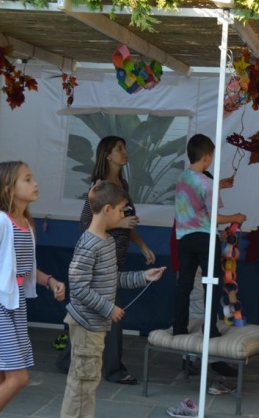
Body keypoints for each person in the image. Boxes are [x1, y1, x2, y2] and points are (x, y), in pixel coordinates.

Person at [0, 161, 66, 418]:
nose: (35, 184)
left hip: (15, 304)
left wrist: (50, 281)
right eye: (28, 179)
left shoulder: (24, 222)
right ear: (9, 189)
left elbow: (24, 268)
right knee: (19, 377)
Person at [60, 180, 165, 418]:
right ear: (107, 209)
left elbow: (113, 278)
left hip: (95, 325)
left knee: (88, 382)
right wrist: (109, 308)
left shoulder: (107, 241)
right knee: (82, 383)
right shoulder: (89, 244)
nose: (123, 215)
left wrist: (143, 277)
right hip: (86, 324)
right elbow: (77, 287)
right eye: (120, 210)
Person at [82, 136, 155, 385]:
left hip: (118, 257)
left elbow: (128, 221)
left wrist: (142, 245)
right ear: (107, 155)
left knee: (95, 312)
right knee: (113, 314)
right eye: (119, 149)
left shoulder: (122, 184)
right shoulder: (99, 186)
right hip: (102, 259)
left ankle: (66, 360)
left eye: (124, 147)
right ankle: (114, 370)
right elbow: (86, 222)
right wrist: (119, 223)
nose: (125, 152)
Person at [172, 134, 246, 376]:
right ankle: (210, 329)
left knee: (184, 283)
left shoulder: (183, 178)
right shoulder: (206, 184)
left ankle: (179, 327)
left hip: (184, 238)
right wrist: (236, 217)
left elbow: (194, 200)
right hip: (205, 237)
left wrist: (219, 185)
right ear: (207, 158)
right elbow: (214, 216)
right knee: (212, 282)